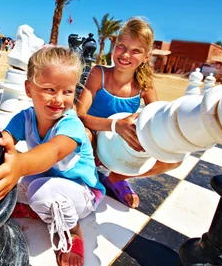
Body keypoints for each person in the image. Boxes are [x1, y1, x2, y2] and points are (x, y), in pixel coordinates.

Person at [0, 46, 105, 266]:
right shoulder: (25, 118)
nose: (58, 99)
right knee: (15, 185)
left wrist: (20, 165)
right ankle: (37, 209)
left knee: (40, 190)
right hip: (48, 178)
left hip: (82, 192)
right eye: (49, 89)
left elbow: (53, 151)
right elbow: (4, 140)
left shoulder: (71, 125)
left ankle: (72, 230)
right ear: (29, 89)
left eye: (68, 92)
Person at [77, 17, 182, 209]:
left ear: (147, 56)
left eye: (136, 51)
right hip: (91, 140)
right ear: (114, 45)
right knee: (81, 133)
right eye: (122, 46)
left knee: (174, 159)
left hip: (119, 146)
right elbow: (80, 116)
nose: (126, 54)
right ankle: (85, 178)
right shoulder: (99, 74)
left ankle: (118, 176)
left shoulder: (144, 85)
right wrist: (115, 126)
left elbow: (157, 120)